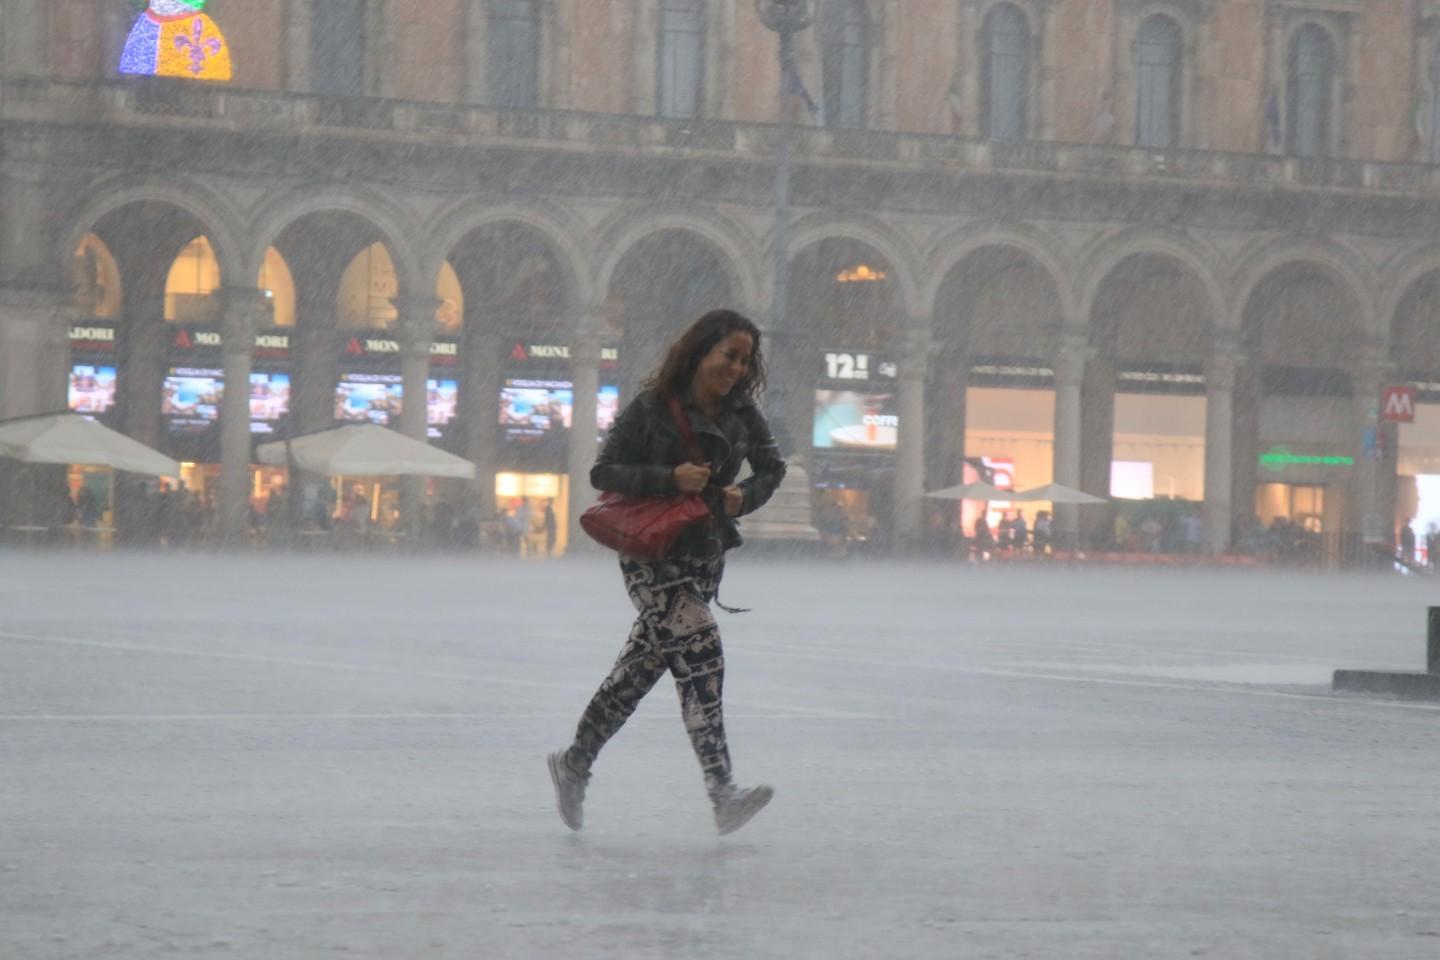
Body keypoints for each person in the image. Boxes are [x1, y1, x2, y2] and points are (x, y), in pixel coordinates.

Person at [547, 309, 787, 836]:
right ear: (701, 352)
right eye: (730, 356)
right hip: (652, 557)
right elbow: (604, 471)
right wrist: (668, 478)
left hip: (703, 554)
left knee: (636, 674)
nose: (737, 368)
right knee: (703, 651)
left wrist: (743, 495)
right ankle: (722, 790)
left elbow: (774, 467)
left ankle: (574, 762)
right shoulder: (654, 408)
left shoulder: (743, 411)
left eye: (745, 360)